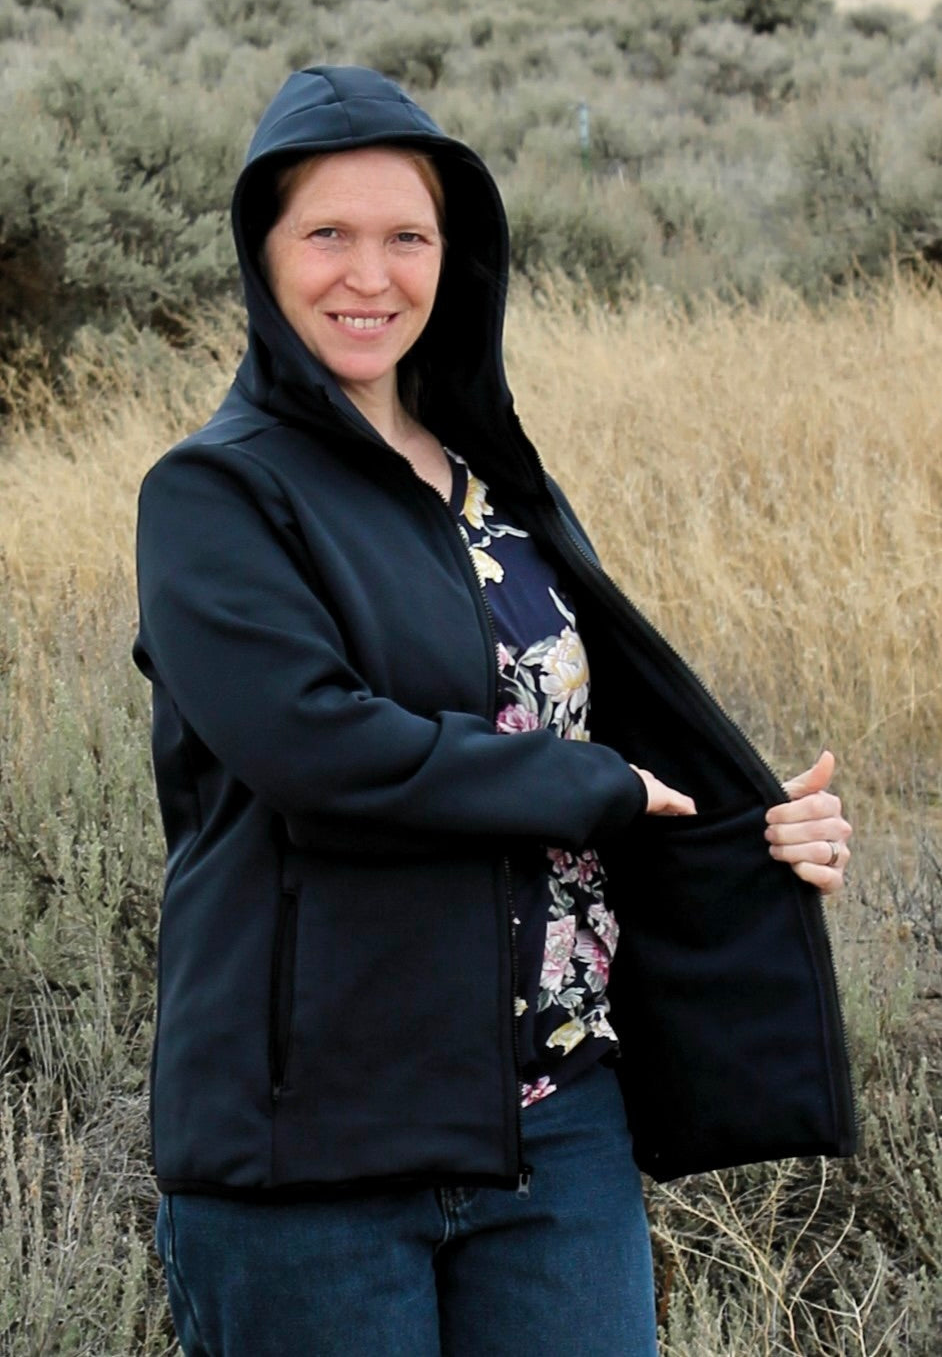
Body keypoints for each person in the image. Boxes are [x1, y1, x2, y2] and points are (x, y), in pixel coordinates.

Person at [134, 66, 855, 1357]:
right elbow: (317, 748)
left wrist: (748, 834)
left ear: (452, 257)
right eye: (326, 233)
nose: (369, 275)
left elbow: (596, 737)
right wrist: (598, 788)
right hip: (315, 1143)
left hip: (554, 1126)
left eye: (406, 237)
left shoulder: (498, 487)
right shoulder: (214, 494)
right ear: (263, 253)